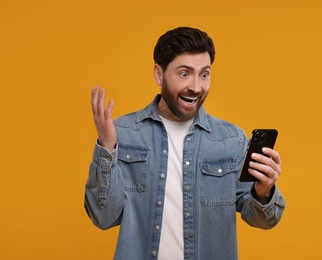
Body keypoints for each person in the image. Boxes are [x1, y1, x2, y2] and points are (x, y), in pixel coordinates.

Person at [84, 27, 285, 260]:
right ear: (159, 74)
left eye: (204, 74)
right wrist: (107, 148)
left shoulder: (231, 140)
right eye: (184, 74)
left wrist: (263, 190)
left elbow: (262, 220)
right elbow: (103, 217)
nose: (196, 87)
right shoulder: (124, 134)